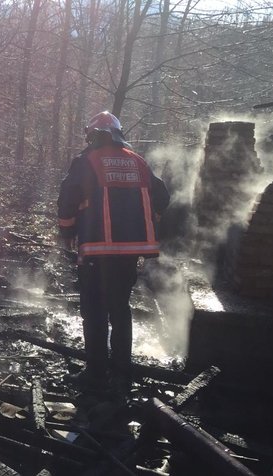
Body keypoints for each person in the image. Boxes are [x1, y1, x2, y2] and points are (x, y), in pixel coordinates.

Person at [56, 111, 170, 393]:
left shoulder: (87, 161)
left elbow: (68, 199)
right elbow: (163, 196)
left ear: (93, 135)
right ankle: (121, 373)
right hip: (131, 252)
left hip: (97, 250)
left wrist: (66, 233)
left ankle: (96, 373)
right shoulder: (138, 162)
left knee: (94, 311)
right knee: (120, 309)